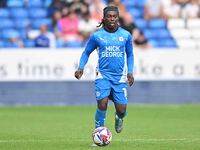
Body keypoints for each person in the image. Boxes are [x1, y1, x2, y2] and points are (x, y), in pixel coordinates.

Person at [74, 6, 134, 134]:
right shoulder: (97, 36)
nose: (112, 19)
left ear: (118, 18)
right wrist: (81, 67)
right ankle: (98, 132)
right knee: (102, 103)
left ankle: (119, 117)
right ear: (104, 18)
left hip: (119, 77)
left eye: (114, 16)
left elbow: (130, 54)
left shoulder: (125, 35)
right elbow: (86, 52)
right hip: (103, 75)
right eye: (109, 16)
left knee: (122, 110)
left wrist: (130, 72)